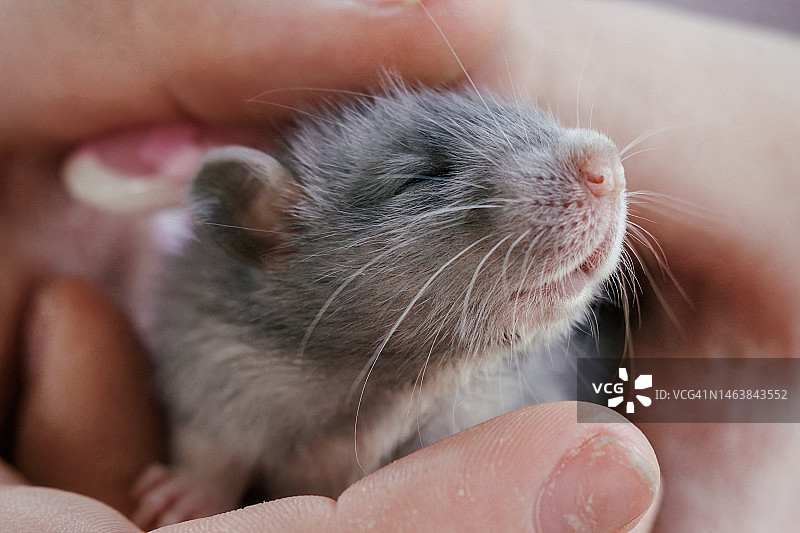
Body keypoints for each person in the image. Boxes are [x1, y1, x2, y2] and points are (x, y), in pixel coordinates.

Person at [1, 0, 798, 531]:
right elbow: (211, 414)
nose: (602, 169)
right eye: (425, 178)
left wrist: (766, 394)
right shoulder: (228, 338)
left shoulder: (515, 373)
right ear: (270, 230)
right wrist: (205, 482)